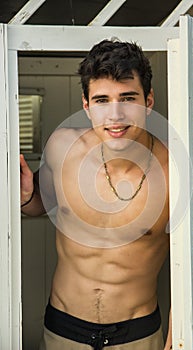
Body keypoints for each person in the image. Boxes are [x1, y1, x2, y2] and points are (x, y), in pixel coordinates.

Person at [20, 39, 171, 350]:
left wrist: (178, 335)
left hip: (138, 335)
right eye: (102, 100)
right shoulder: (62, 148)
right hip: (63, 329)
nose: (115, 115)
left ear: (149, 101)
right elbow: (38, 206)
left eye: (127, 98)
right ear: (86, 105)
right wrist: (24, 196)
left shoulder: (174, 171)